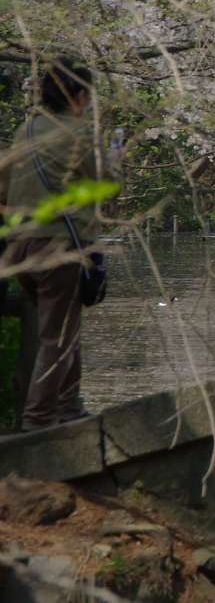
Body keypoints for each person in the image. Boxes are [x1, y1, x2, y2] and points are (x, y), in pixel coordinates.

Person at [2, 59, 117, 431]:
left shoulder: (25, 132)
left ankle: (70, 407)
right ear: (80, 96)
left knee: (64, 327)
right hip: (58, 247)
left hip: (21, 246)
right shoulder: (80, 133)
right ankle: (37, 422)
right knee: (56, 337)